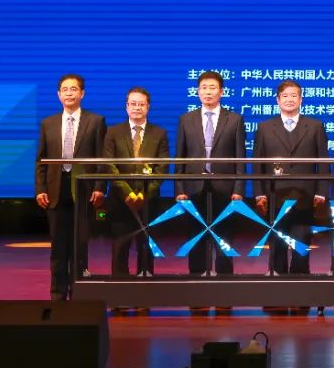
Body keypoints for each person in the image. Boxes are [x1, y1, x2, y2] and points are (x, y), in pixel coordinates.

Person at [34, 74, 106, 301]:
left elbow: (101, 159)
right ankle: (57, 293)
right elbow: (41, 160)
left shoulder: (96, 121)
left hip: (84, 191)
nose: (69, 93)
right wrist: (40, 189)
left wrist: (99, 187)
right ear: (58, 94)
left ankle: (79, 292)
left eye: (73, 89)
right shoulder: (48, 123)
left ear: (82, 93)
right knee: (58, 247)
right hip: (55, 191)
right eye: (64, 89)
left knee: (79, 246)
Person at [174, 71, 246, 278]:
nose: (207, 92)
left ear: (221, 92)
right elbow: (180, 157)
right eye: (203, 88)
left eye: (212, 88)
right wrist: (179, 188)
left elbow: (240, 158)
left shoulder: (235, 119)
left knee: (224, 238)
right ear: (197, 92)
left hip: (225, 188)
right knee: (195, 236)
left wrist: (239, 189)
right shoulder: (186, 119)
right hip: (193, 187)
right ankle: (196, 282)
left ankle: (224, 282)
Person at [253, 80, 327, 277]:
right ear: (277, 100)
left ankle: (300, 283)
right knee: (277, 242)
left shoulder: (315, 126)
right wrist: (259, 193)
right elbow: (258, 164)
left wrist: (321, 192)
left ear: (301, 99)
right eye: (285, 96)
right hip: (274, 195)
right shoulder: (264, 127)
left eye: (294, 95)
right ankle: (277, 283)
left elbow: (323, 162)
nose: (289, 99)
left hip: (305, 195)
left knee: (301, 243)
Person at [103, 87, 169, 279]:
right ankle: (119, 288)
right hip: (120, 200)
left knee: (146, 247)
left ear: (148, 107)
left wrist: (144, 194)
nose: (137, 108)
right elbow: (109, 165)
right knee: (120, 248)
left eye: (141, 104)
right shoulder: (113, 132)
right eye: (133, 104)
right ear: (126, 106)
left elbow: (162, 168)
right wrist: (128, 193)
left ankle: (145, 289)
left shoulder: (159, 133)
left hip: (148, 201)